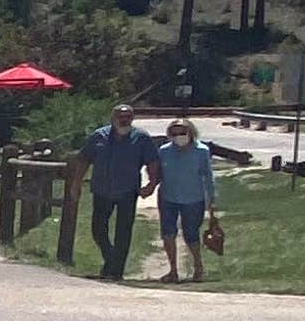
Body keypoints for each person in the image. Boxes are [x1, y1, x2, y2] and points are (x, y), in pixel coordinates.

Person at [82, 103, 159, 281]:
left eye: (127, 117)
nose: (124, 120)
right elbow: (84, 159)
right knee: (98, 229)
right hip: (102, 189)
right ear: (113, 118)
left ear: (132, 119)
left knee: (123, 231)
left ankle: (116, 271)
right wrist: (76, 184)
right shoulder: (99, 136)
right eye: (120, 116)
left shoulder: (141, 138)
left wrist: (151, 183)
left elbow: (152, 162)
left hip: (128, 190)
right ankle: (111, 258)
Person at [155, 114, 216, 281]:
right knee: (168, 233)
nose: (178, 137)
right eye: (174, 134)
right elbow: (157, 173)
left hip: (193, 198)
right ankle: (173, 270)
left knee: (191, 234)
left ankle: (198, 266)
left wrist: (211, 199)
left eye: (182, 133)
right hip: (168, 197)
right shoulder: (164, 151)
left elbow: (208, 176)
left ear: (190, 132)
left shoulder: (201, 151)